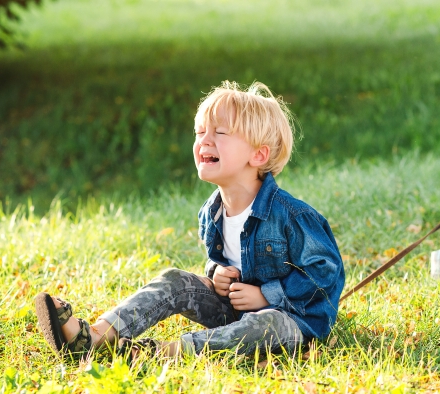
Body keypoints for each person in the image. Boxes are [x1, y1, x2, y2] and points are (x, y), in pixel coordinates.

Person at [34, 81, 346, 362]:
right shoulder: (212, 211)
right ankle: (95, 337)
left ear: (259, 156)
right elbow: (219, 259)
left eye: (219, 133)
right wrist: (217, 272)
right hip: (235, 312)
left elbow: (325, 272)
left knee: (266, 324)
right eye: (200, 132)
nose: (204, 141)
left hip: (292, 323)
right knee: (174, 280)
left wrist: (267, 296)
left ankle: (162, 353)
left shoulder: (292, 215)